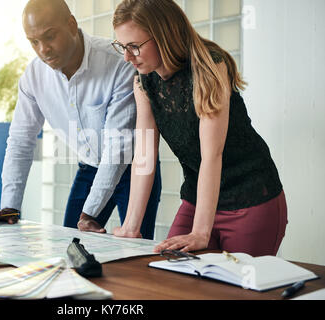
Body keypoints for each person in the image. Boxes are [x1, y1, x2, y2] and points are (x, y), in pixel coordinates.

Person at [111, 0, 287, 256]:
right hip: (198, 198)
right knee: (171, 274)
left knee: (235, 294)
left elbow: (211, 155)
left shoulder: (210, 66)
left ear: (164, 35)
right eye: (122, 47)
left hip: (250, 198)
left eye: (134, 47)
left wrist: (200, 233)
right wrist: (130, 226)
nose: (127, 57)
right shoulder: (144, 81)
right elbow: (145, 155)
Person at [0, 0, 162, 240]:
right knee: (70, 247)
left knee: (137, 251)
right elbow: (20, 142)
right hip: (90, 168)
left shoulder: (118, 62)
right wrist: (10, 206)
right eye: (34, 42)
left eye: (50, 36)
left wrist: (89, 213)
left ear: (72, 24)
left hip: (136, 169)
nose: (43, 49)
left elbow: (118, 149)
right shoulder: (34, 77)